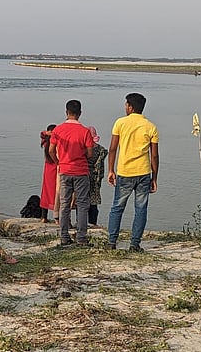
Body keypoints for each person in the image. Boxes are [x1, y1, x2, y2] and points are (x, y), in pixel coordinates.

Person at [106, 93, 159, 252]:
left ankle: (111, 242)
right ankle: (135, 244)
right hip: (143, 172)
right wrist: (154, 178)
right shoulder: (151, 126)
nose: (125, 107)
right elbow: (154, 155)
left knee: (117, 207)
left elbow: (113, 148)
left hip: (125, 171)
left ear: (130, 107)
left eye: (126, 105)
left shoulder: (120, 123)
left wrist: (110, 170)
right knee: (141, 209)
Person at [49, 100, 94, 247]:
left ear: (66, 112)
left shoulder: (58, 130)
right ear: (80, 113)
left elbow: (51, 150)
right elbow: (90, 153)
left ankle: (64, 236)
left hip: (64, 170)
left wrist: (58, 162)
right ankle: (81, 237)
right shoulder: (85, 131)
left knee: (65, 204)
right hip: (81, 171)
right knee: (82, 204)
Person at [87, 127, 108, 226]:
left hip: (84, 177)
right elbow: (101, 168)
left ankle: (81, 223)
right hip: (96, 179)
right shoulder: (101, 150)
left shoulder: (84, 149)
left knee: (82, 202)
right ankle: (93, 223)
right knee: (93, 203)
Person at [39, 125, 58, 223]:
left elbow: (42, 133)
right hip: (55, 167)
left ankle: (44, 217)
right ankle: (57, 218)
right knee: (57, 192)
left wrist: (49, 133)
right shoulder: (54, 142)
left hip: (47, 169)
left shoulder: (46, 141)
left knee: (46, 192)